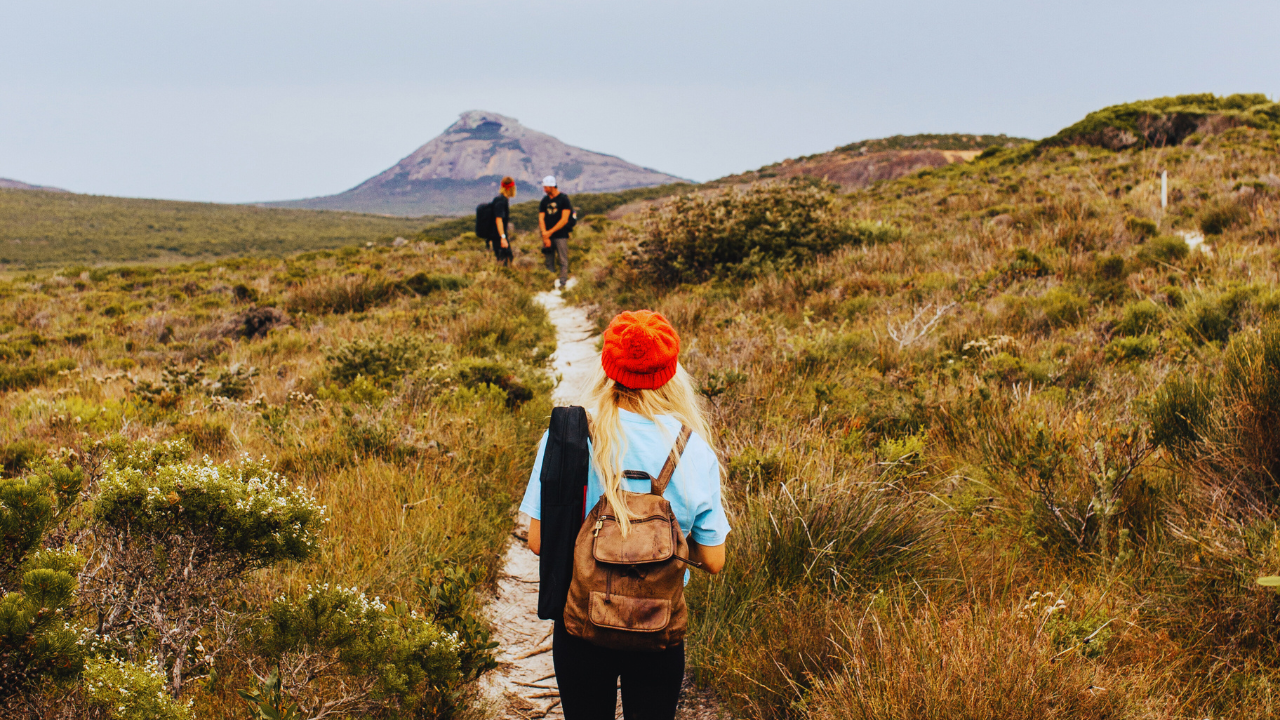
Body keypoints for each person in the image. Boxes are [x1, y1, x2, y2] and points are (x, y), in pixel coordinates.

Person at [520, 310, 729, 720]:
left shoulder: (566, 436)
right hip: (658, 627)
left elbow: (539, 541)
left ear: (607, 367)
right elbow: (713, 561)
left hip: (581, 624)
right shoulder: (693, 449)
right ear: (670, 373)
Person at [538, 175, 573, 289]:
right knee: (549, 260)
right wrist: (545, 235)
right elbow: (541, 218)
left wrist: (550, 232)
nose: (544, 189)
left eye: (546, 187)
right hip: (547, 236)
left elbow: (564, 219)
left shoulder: (563, 199)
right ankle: (550, 283)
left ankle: (563, 283)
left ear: (552, 186)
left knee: (562, 259)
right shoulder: (544, 201)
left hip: (561, 235)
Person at [491, 176, 516, 265]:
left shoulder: (503, 199)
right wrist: (503, 237)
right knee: (504, 260)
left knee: (508, 258)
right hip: (498, 237)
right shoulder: (501, 201)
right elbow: (499, 220)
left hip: (500, 236)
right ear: (510, 188)